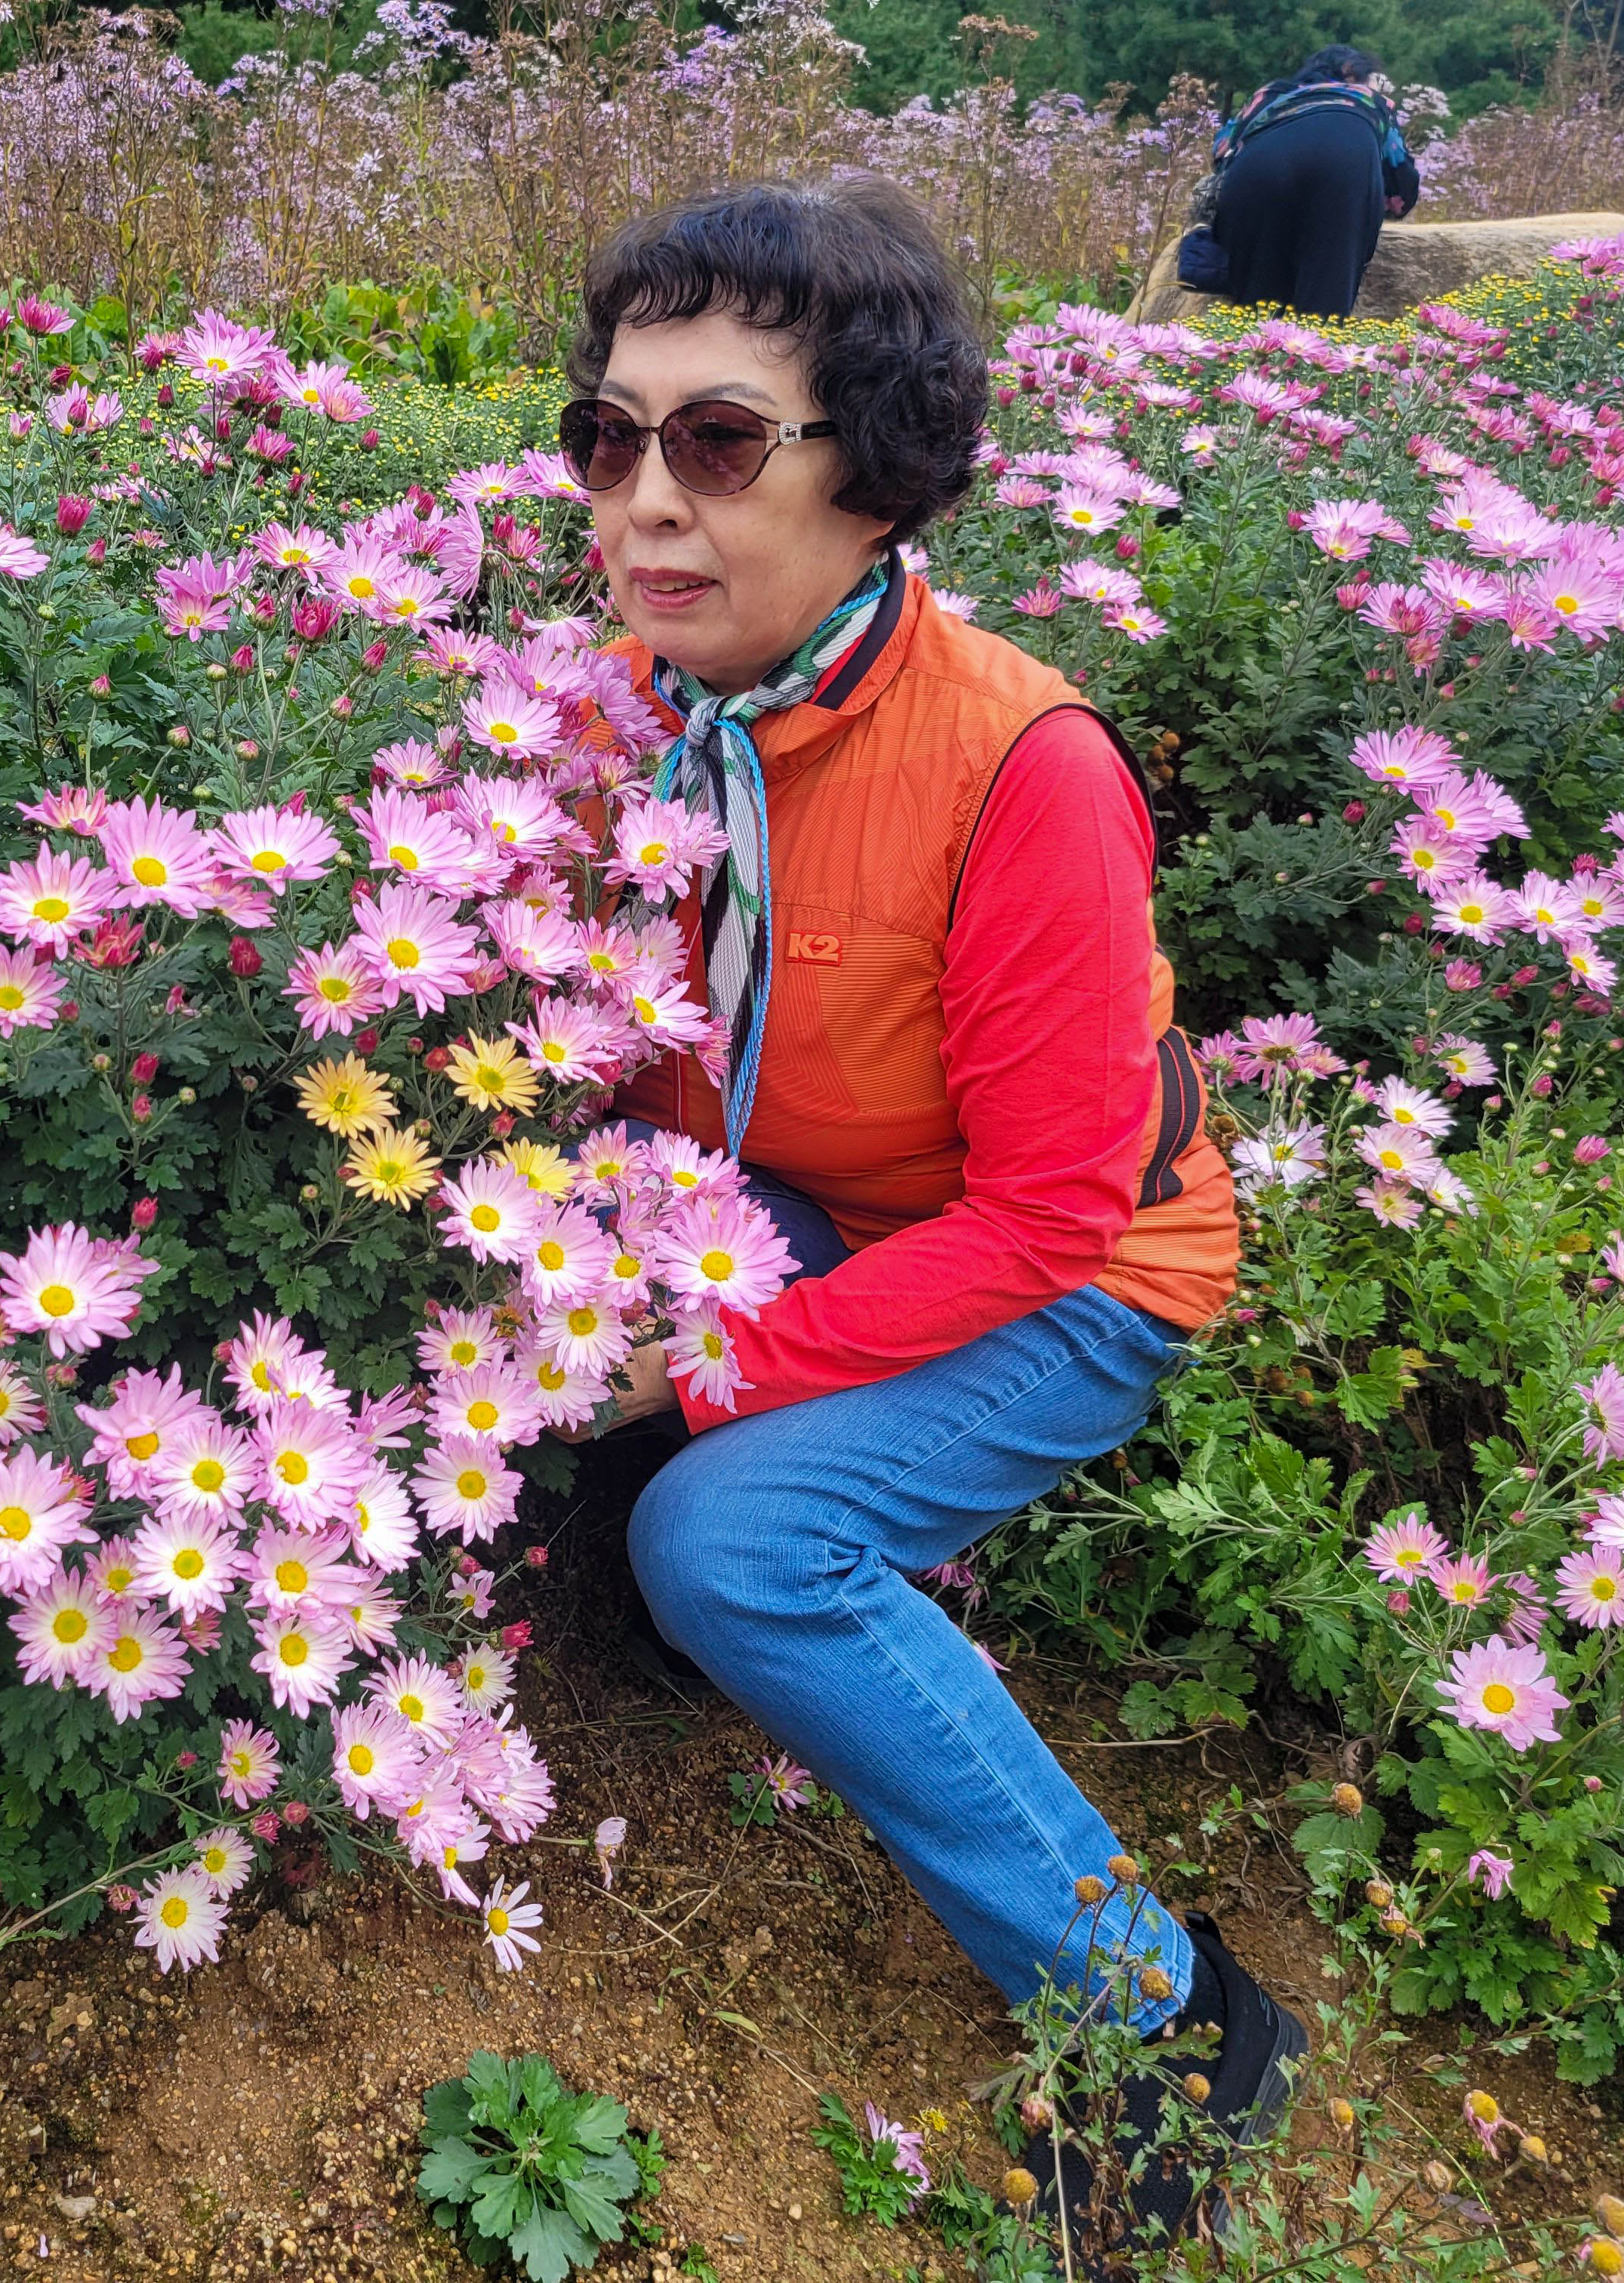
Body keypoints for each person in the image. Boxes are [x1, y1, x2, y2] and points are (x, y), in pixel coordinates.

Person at [555, 180, 1302, 2264]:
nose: (643, 502)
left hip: (1074, 1271)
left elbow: (1052, 1213)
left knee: (732, 1543)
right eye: (608, 438)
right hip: (785, 1206)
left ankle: (1166, 2023)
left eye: (719, 443)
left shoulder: (1017, 762)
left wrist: (713, 1365)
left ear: (876, 472)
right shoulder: (627, 714)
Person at [1206, 45, 1420, 318]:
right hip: (1343, 168)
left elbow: (1221, 151)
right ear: (1352, 74)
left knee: (1255, 312)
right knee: (1321, 315)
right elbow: (1403, 191)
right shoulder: (1369, 99)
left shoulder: (1270, 94)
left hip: (1259, 170)